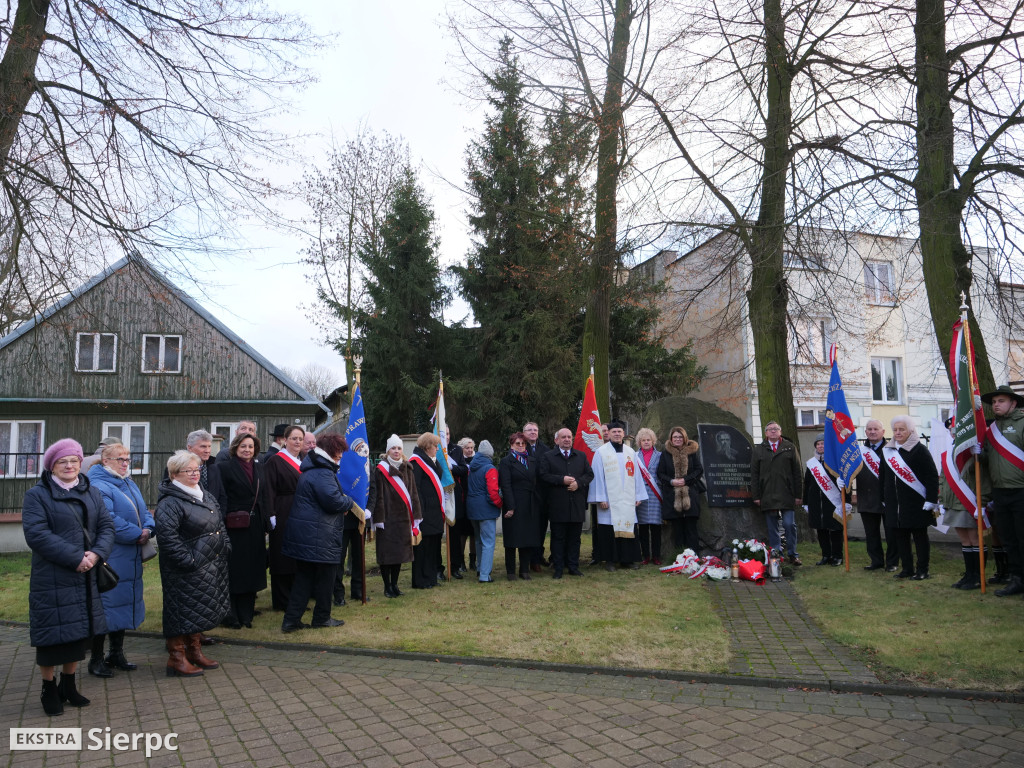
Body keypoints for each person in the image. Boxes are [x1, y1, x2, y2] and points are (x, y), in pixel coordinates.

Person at [23, 438, 114, 716]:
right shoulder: (37, 495)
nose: (70, 465)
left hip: (85, 576)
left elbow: (106, 526)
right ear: (52, 466)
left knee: (77, 634)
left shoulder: (91, 491)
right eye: (63, 461)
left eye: (74, 460)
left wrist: (95, 555)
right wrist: (76, 558)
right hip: (53, 577)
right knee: (52, 635)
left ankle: (69, 686)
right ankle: (48, 688)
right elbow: (37, 535)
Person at [155, 450, 230, 677]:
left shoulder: (203, 495)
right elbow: (168, 537)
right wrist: (189, 561)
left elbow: (219, 523)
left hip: (209, 565)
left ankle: (194, 651)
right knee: (180, 611)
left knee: (196, 609)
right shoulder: (171, 502)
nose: (195, 474)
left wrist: (225, 545)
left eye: (196, 469)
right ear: (175, 475)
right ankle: (176, 658)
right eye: (189, 470)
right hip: (184, 568)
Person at [86, 442, 154, 677]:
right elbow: (108, 519)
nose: (126, 463)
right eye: (120, 459)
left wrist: (148, 527)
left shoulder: (127, 482)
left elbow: (143, 510)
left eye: (128, 459)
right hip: (112, 555)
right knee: (106, 606)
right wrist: (138, 534)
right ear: (106, 461)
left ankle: (116, 653)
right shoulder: (98, 485)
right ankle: (96, 659)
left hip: (130, 556)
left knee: (124, 602)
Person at [280, 434, 353, 632]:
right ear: (331, 450)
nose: (340, 456)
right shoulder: (322, 472)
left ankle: (291, 620)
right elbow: (333, 501)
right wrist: (348, 502)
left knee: (304, 579)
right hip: (319, 536)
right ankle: (321, 617)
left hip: (310, 535)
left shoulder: (315, 468)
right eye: (339, 451)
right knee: (326, 578)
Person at [218, 432, 270, 628]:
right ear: (235, 448)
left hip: (255, 525)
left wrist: (266, 521)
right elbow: (220, 496)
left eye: (250, 446)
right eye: (243, 446)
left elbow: (263, 496)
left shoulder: (260, 467)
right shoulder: (223, 468)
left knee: (253, 569)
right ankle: (232, 614)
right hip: (234, 525)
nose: (247, 450)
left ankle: (247, 615)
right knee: (235, 570)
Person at [881, 415, 939, 580]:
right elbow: (883, 476)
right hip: (894, 503)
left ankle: (922, 570)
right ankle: (907, 569)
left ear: (910, 431)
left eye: (902, 429)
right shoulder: (888, 450)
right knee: (900, 537)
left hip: (916, 502)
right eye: (895, 430)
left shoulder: (920, 449)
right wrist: (883, 497)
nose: (898, 433)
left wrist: (931, 500)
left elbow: (932, 476)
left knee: (919, 537)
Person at [980, 385, 1024, 596]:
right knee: (1009, 539)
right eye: (994, 402)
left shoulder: (1023, 424)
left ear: (1013, 403)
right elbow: (989, 460)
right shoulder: (991, 430)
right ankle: (1017, 579)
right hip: (1000, 492)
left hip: (1021, 490)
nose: (996, 405)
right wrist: (978, 453)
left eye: (1001, 401)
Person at [588, 420, 646, 570]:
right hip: (608, 500)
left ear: (623, 433)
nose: (617, 434)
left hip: (627, 499)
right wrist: (601, 498)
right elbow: (597, 477)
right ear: (609, 433)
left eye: (619, 431)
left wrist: (638, 495)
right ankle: (610, 561)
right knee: (609, 530)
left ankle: (628, 559)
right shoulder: (601, 452)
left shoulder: (630, 452)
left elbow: (637, 475)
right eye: (614, 431)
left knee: (628, 528)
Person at [939, 419, 990, 590]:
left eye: (956, 429)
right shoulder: (948, 453)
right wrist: (941, 501)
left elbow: (982, 480)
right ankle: (969, 574)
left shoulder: (971, 453)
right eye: (951, 430)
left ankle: (978, 576)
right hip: (952, 503)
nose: (953, 432)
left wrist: (981, 502)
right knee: (964, 540)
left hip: (969, 503)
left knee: (975, 539)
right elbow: (942, 480)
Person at [538, 428, 593, 578]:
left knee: (575, 538)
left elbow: (589, 474)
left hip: (576, 504)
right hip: (558, 504)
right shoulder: (548, 457)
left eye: (569, 437)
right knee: (558, 537)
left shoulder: (580, 456)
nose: (567, 439)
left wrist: (579, 483)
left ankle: (573, 567)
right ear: (557, 440)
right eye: (563, 437)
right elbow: (543, 475)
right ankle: (558, 568)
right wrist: (561, 480)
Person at [370, 435, 419, 597]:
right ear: (387, 451)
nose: (396, 451)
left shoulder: (408, 469)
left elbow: (413, 495)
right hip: (388, 519)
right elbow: (378, 497)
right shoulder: (381, 471)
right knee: (387, 555)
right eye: (393, 448)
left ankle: (395, 585)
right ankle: (387, 586)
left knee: (399, 554)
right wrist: (379, 519)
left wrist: (416, 517)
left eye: (399, 448)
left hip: (404, 519)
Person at [750, 421, 803, 565]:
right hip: (767, 494)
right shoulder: (759, 450)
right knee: (772, 527)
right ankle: (776, 553)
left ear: (780, 432)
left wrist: (799, 495)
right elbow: (754, 474)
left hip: (787, 494)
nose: (773, 431)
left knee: (788, 524)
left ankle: (792, 554)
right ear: (766, 433)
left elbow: (797, 472)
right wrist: (756, 496)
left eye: (776, 429)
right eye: (770, 429)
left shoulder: (789, 447)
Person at [264, 425, 305, 610]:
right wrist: (271, 513)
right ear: (284, 440)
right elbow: (269, 489)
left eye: (300, 439)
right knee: (282, 556)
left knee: (299, 557)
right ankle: (282, 601)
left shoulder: (304, 460)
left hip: (302, 512)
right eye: (294, 438)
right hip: (282, 511)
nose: (297, 442)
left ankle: (296, 599)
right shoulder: (275, 461)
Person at [855, 419, 898, 572]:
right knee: (871, 534)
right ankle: (876, 561)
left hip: (888, 499)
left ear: (883, 432)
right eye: (869, 429)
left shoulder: (892, 449)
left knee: (892, 533)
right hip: (866, 498)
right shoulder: (858, 451)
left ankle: (892, 562)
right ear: (865, 432)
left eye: (876, 429)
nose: (872, 432)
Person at [499, 432, 542, 580]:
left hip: (529, 503)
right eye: (517, 443)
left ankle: (524, 570)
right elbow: (505, 484)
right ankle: (511, 571)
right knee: (512, 539)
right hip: (513, 503)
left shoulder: (532, 460)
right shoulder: (506, 461)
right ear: (511, 445)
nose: (521, 446)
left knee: (527, 538)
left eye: (523, 443)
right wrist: (510, 506)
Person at [657, 426, 704, 554]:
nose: (677, 439)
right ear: (671, 439)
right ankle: (679, 558)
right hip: (673, 496)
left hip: (690, 494)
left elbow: (699, 470)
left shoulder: (692, 452)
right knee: (677, 530)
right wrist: (672, 481)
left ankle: (694, 557)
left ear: (684, 438)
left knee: (691, 529)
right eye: (675, 437)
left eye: (680, 437)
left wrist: (686, 480)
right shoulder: (665, 453)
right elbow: (660, 473)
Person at [336, 436, 371, 605]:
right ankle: (338, 594)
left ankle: (358, 590)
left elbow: (372, 487)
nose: (363, 451)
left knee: (359, 557)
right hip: (342, 518)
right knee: (339, 559)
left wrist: (369, 507)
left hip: (360, 517)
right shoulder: (341, 465)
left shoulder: (366, 465)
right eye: (360, 449)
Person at [409, 432, 446, 589]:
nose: (437, 449)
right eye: (435, 446)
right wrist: (420, 511)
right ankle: (420, 580)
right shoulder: (416, 462)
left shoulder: (432, 460)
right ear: (427, 446)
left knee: (433, 546)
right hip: (424, 512)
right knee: (423, 548)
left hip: (435, 511)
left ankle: (431, 577)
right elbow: (415, 488)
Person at [803, 437, 844, 566]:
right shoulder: (811, 463)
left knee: (835, 529)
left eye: (823, 444)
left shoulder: (836, 461)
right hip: (816, 502)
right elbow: (807, 483)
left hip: (832, 501)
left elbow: (845, 484)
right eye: (818, 444)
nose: (821, 446)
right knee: (821, 530)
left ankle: (837, 556)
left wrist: (846, 501)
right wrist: (806, 502)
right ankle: (826, 555)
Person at [466, 440, 501, 583]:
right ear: (490, 455)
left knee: (479, 540)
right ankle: (485, 575)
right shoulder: (490, 468)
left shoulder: (472, 467)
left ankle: (480, 568)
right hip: (486, 510)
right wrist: (499, 503)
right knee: (488, 542)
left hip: (472, 508)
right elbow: (493, 493)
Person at [633, 428, 663, 564]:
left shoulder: (660, 455)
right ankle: (645, 556)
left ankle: (656, 556)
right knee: (643, 527)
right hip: (640, 495)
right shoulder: (634, 456)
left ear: (653, 441)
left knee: (656, 527)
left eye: (648, 440)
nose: (646, 442)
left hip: (656, 494)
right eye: (643, 440)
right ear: (639, 442)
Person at [523, 422, 550, 570]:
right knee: (528, 529)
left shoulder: (545, 450)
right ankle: (528, 559)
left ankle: (538, 557)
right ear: (524, 432)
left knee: (541, 529)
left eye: (535, 430)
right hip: (525, 496)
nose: (533, 432)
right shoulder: (519, 447)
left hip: (542, 497)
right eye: (529, 430)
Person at [447, 440, 471, 578]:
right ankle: (437, 568)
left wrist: (451, 467)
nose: (447, 436)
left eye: (448, 433)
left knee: (455, 534)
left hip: (454, 496)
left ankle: (455, 566)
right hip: (438, 496)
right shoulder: (434, 449)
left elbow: (463, 469)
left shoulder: (456, 450)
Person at [458, 437, 480, 571]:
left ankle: (473, 560)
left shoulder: (477, 460)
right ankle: (461, 561)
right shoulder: (458, 461)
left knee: (474, 533)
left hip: (474, 499)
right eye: (467, 448)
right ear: (462, 449)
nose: (470, 450)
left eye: (471, 447)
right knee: (462, 533)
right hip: (462, 499)